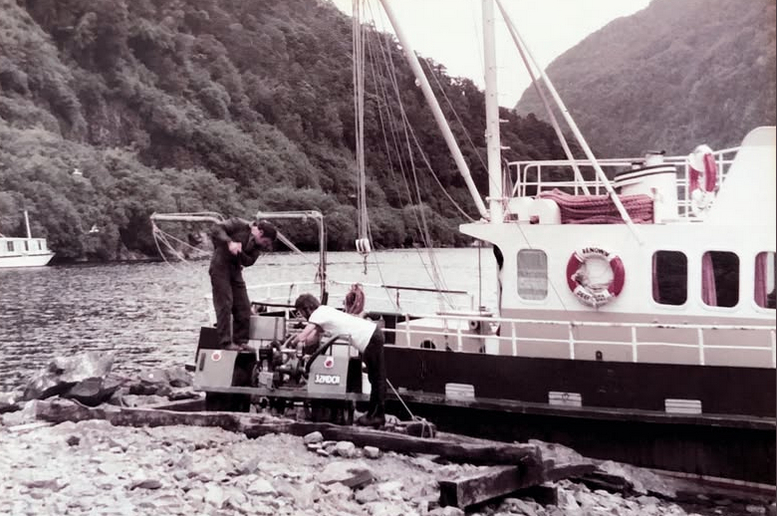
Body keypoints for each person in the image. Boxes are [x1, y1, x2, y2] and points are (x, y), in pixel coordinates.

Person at [292, 293, 386, 427]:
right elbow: (312, 338)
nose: (302, 315)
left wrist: (291, 341)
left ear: (307, 308)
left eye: (301, 312)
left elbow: (303, 336)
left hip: (370, 337)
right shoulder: (323, 313)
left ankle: (377, 416)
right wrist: (301, 341)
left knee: (377, 379)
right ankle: (374, 414)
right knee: (375, 378)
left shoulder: (318, 313)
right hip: (372, 335)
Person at [209, 218, 277, 350]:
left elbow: (248, 261)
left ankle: (240, 341)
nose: (265, 245)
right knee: (225, 304)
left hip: (235, 271)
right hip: (220, 267)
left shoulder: (257, 247)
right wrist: (230, 242)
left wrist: (240, 252)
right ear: (260, 232)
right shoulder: (239, 225)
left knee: (244, 307)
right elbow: (216, 229)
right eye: (265, 241)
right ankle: (226, 342)